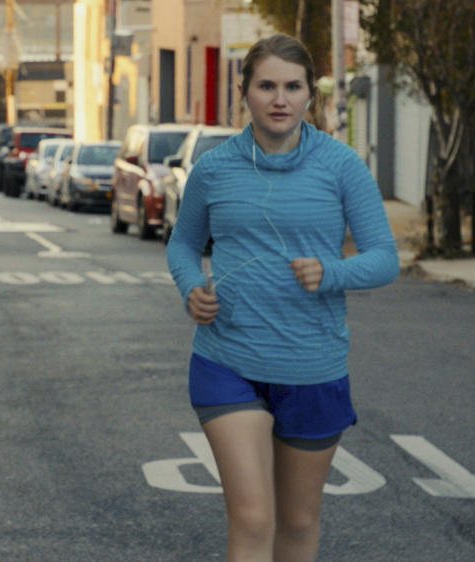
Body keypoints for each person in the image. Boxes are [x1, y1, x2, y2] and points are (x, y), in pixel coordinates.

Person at [165, 34, 398, 561]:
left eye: (293, 87)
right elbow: (182, 244)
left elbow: (385, 258)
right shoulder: (215, 169)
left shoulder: (340, 166)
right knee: (251, 517)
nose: (279, 99)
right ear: (244, 91)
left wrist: (332, 272)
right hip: (226, 360)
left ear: (308, 96)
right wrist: (191, 287)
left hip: (312, 364)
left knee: (296, 522)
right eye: (266, 85)